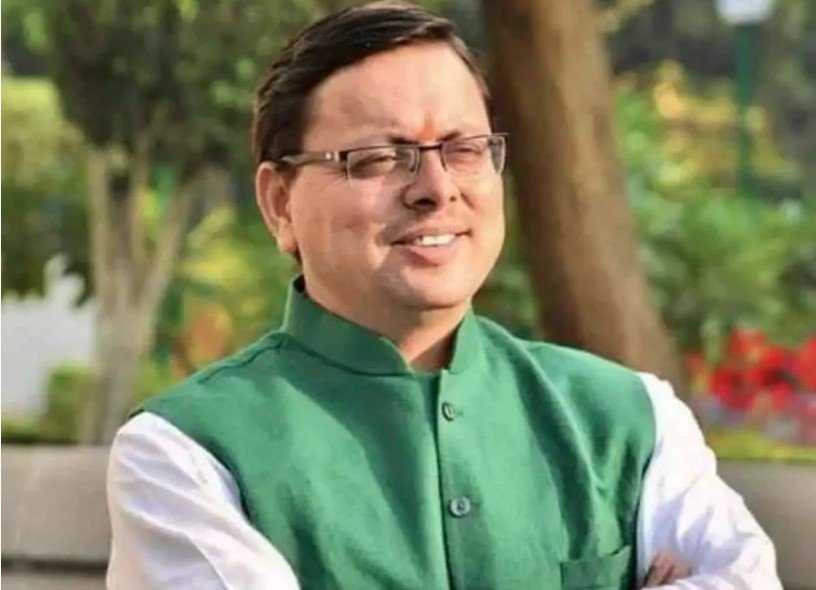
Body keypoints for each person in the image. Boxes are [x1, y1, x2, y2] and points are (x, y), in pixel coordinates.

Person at [106, 2, 782, 589]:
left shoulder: (628, 420)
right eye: (379, 158)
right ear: (280, 202)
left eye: (463, 149)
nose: (436, 188)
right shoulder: (186, 456)